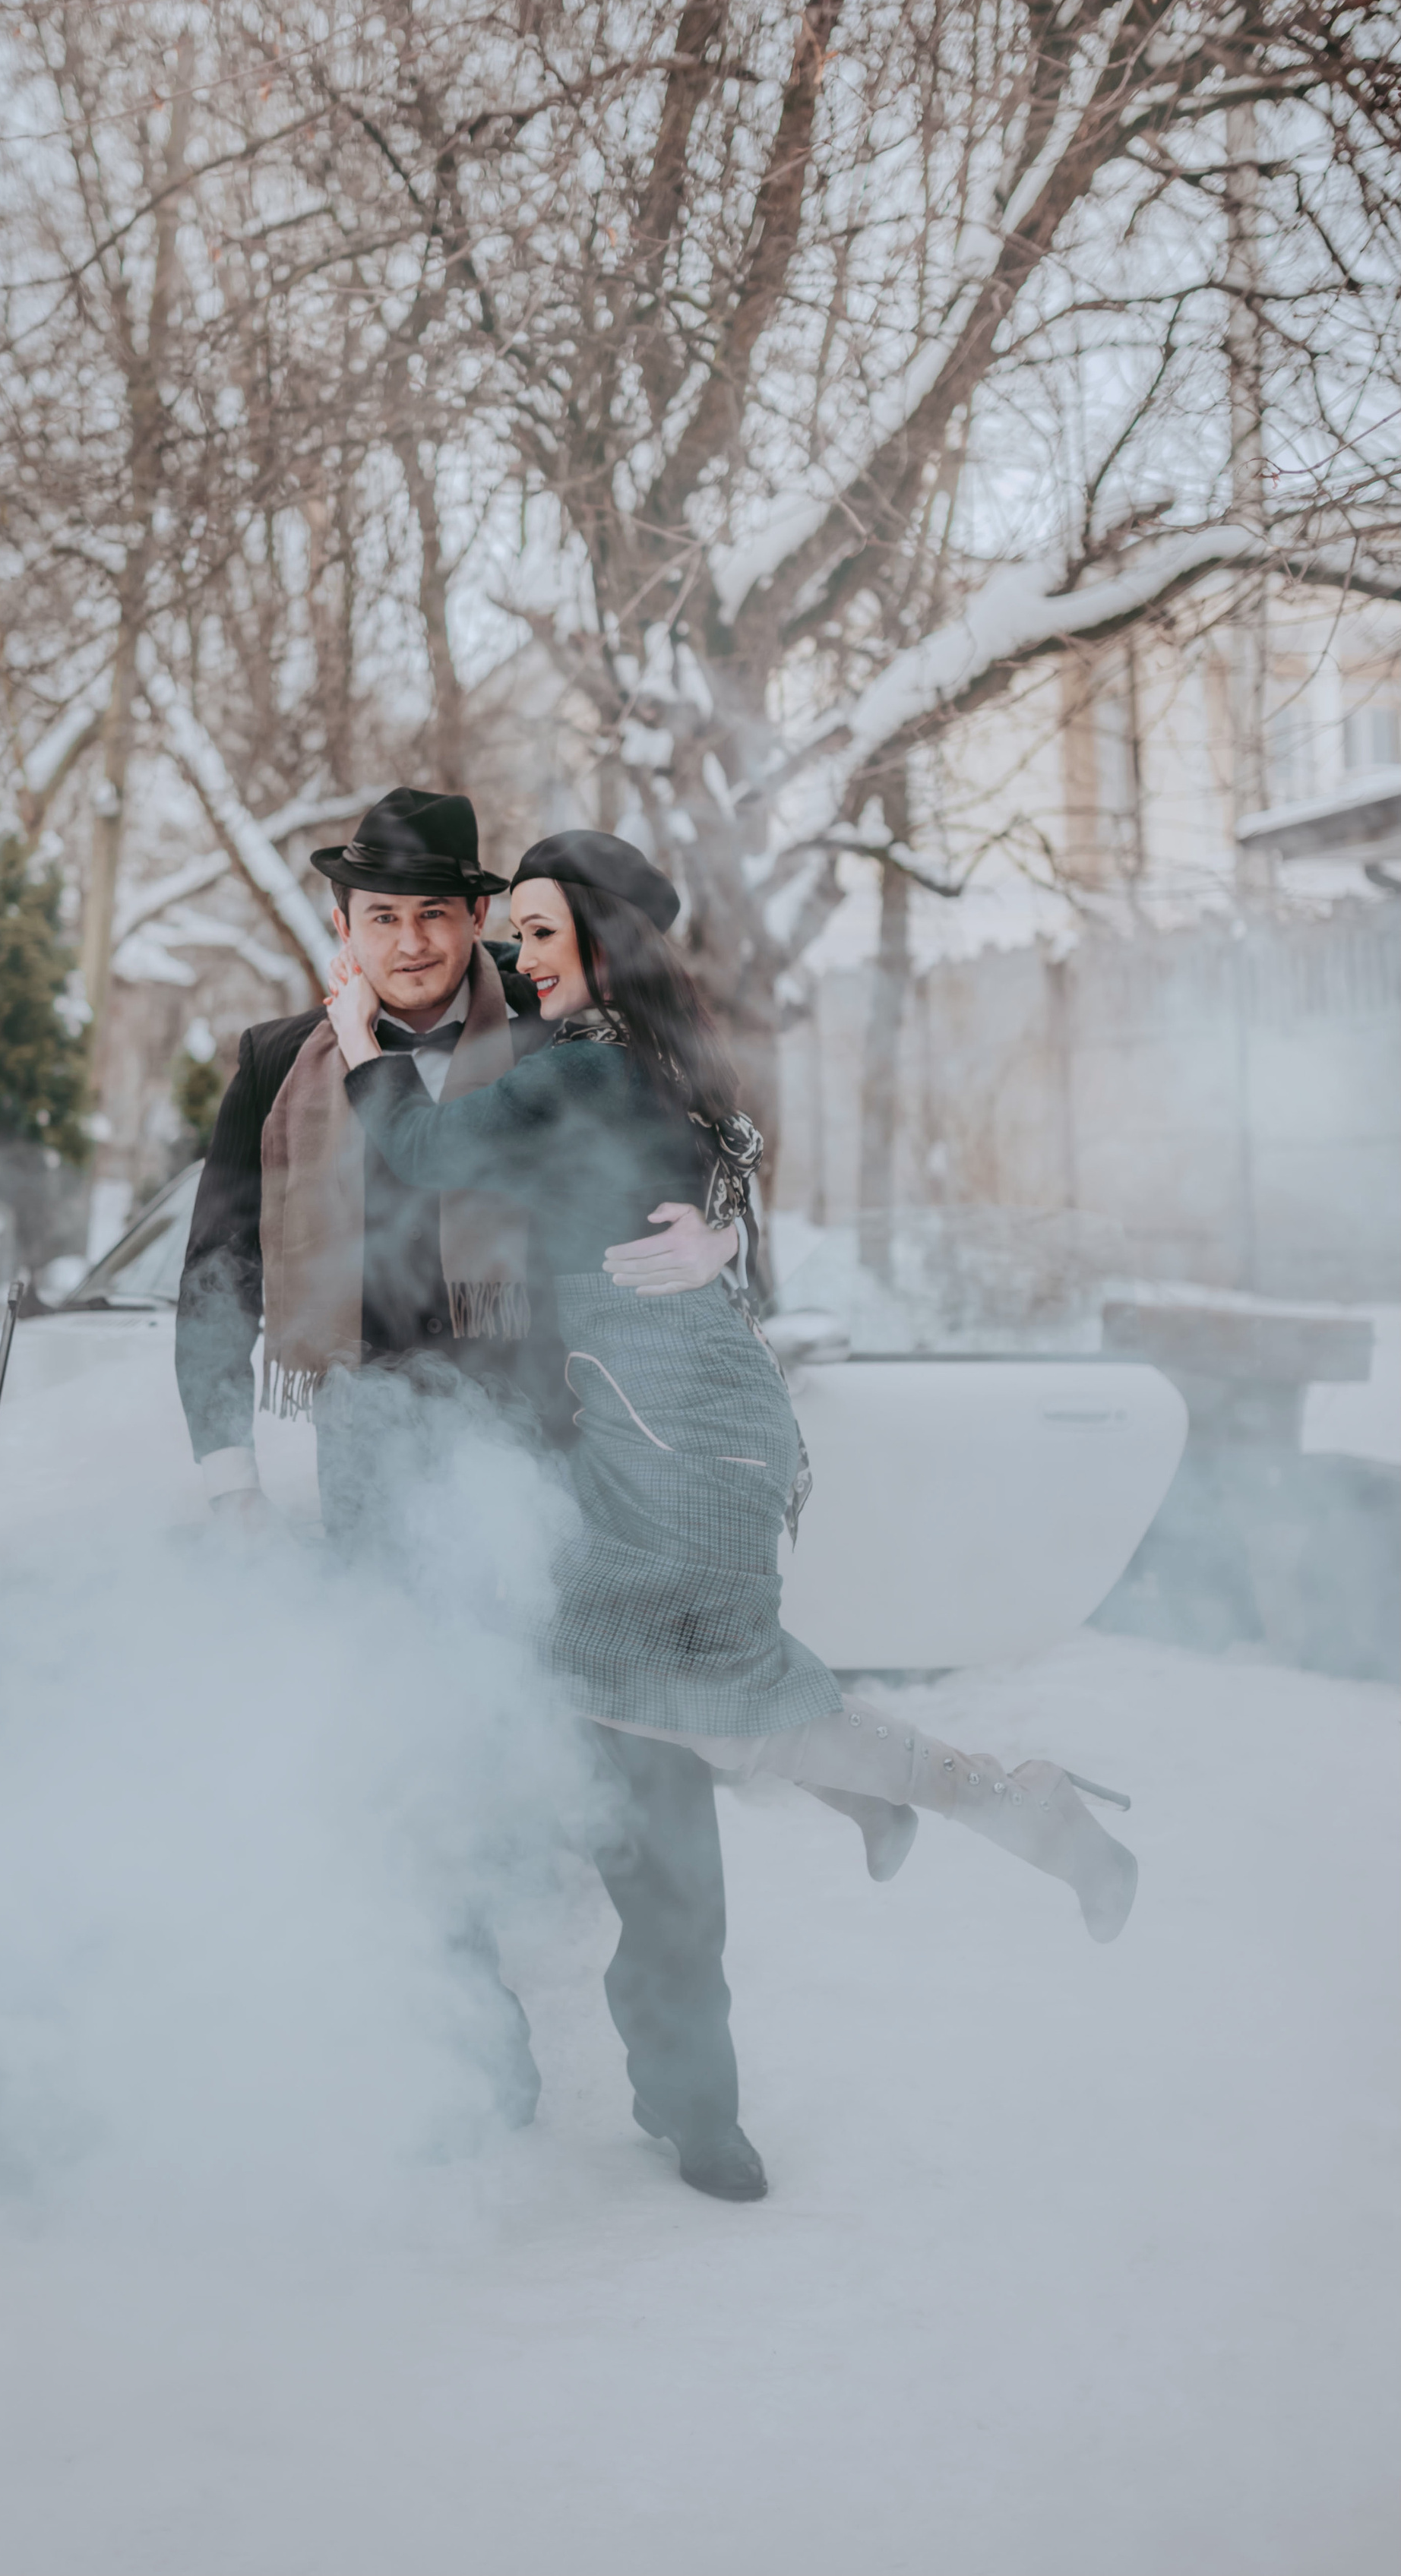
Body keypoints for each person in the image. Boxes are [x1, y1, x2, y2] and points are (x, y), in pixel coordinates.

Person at [325, 827, 1141, 2198]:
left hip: (660, 1432)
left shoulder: (580, 1063)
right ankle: (889, 1799)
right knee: (661, 1697)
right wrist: (718, 1228)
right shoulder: (657, 1064)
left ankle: (990, 1800)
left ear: (600, 937)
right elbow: (723, 1168)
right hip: (688, 1414)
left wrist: (356, 1034)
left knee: (650, 1699)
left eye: (538, 932)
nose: (518, 958)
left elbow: (417, 1150)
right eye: (511, 934)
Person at [174, 788, 751, 2176]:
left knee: (654, 1789)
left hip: (576, 1458)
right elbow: (214, 1283)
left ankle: (694, 2098)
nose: (417, 940)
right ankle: (470, 2060)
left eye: (441, 911)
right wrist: (230, 1482)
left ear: (478, 917)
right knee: (422, 1782)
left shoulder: (563, 1031)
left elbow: (694, 1128)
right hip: (380, 1467)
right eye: (387, 915)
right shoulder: (276, 1066)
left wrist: (722, 1237)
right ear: (345, 926)